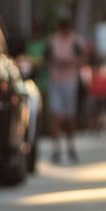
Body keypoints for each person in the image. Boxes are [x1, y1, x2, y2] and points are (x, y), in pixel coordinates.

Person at [45, 10, 86, 163]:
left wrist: (70, 62)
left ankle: (70, 146)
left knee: (69, 117)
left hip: (70, 82)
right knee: (56, 116)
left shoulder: (76, 41)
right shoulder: (53, 41)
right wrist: (56, 62)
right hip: (56, 82)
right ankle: (56, 149)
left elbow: (83, 59)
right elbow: (46, 59)